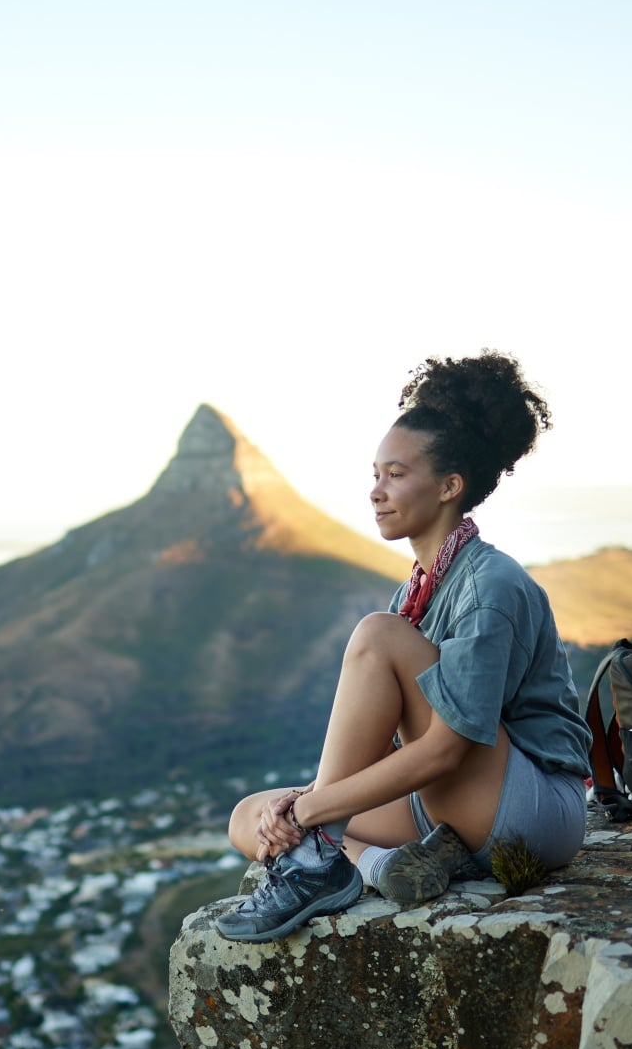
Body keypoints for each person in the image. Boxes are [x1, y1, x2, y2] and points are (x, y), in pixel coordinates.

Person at [216, 352, 593, 942]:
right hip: (447, 804)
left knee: (376, 636)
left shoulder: (490, 585)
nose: (375, 492)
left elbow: (446, 750)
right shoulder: (415, 592)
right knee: (251, 817)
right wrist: (298, 806)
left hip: (529, 807)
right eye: (374, 474)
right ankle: (379, 866)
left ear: (450, 486)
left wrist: (314, 809)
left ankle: (318, 859)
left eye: (395, 475)